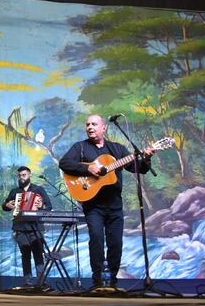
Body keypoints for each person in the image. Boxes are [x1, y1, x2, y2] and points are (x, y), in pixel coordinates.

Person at [58, 114, 153, 288]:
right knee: (96, 238)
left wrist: (146, 157)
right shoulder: (80, 147)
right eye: (87, 125)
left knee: (116, 242)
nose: (90, 127)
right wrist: (88, 168)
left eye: (94, 124)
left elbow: (137, 168)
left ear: (104, 128)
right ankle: (97, 279)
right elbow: (64, 163)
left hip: (115, 205)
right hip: (93, 205)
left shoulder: (117, 149)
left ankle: (113, 279)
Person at [1, 166, 52, 286]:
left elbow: (48, 207)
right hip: (20, 227)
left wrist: (41, 206)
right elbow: (4, 206)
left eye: (23, 175)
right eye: (19, 176)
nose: (21, 178)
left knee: (38, 254)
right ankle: (28, 281)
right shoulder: (15, 192)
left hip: (36, 227)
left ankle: (41, 281)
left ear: (29, 175)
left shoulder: (39, 190)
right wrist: (7, 205)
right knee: (25, 254)